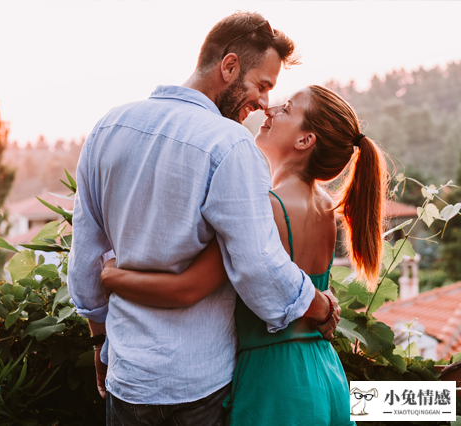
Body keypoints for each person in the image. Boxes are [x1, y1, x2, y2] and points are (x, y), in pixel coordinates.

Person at [67, 11, 340, 425]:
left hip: (127, 378)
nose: (263, 103)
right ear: (228, 67)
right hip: (200, 384)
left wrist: (100, 343)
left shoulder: (107, 126)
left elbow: (86, 255)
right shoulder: (229, 144)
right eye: (262, 86)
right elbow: (258, 266)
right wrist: (318, 306)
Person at [101, 85, 390, 425]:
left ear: (305, 140)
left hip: (275, 380)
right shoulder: (323, 204)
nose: (270, 110)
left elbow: (186, 288)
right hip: (322, 370)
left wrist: (111, 275)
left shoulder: (265, 208)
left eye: (286, 109)